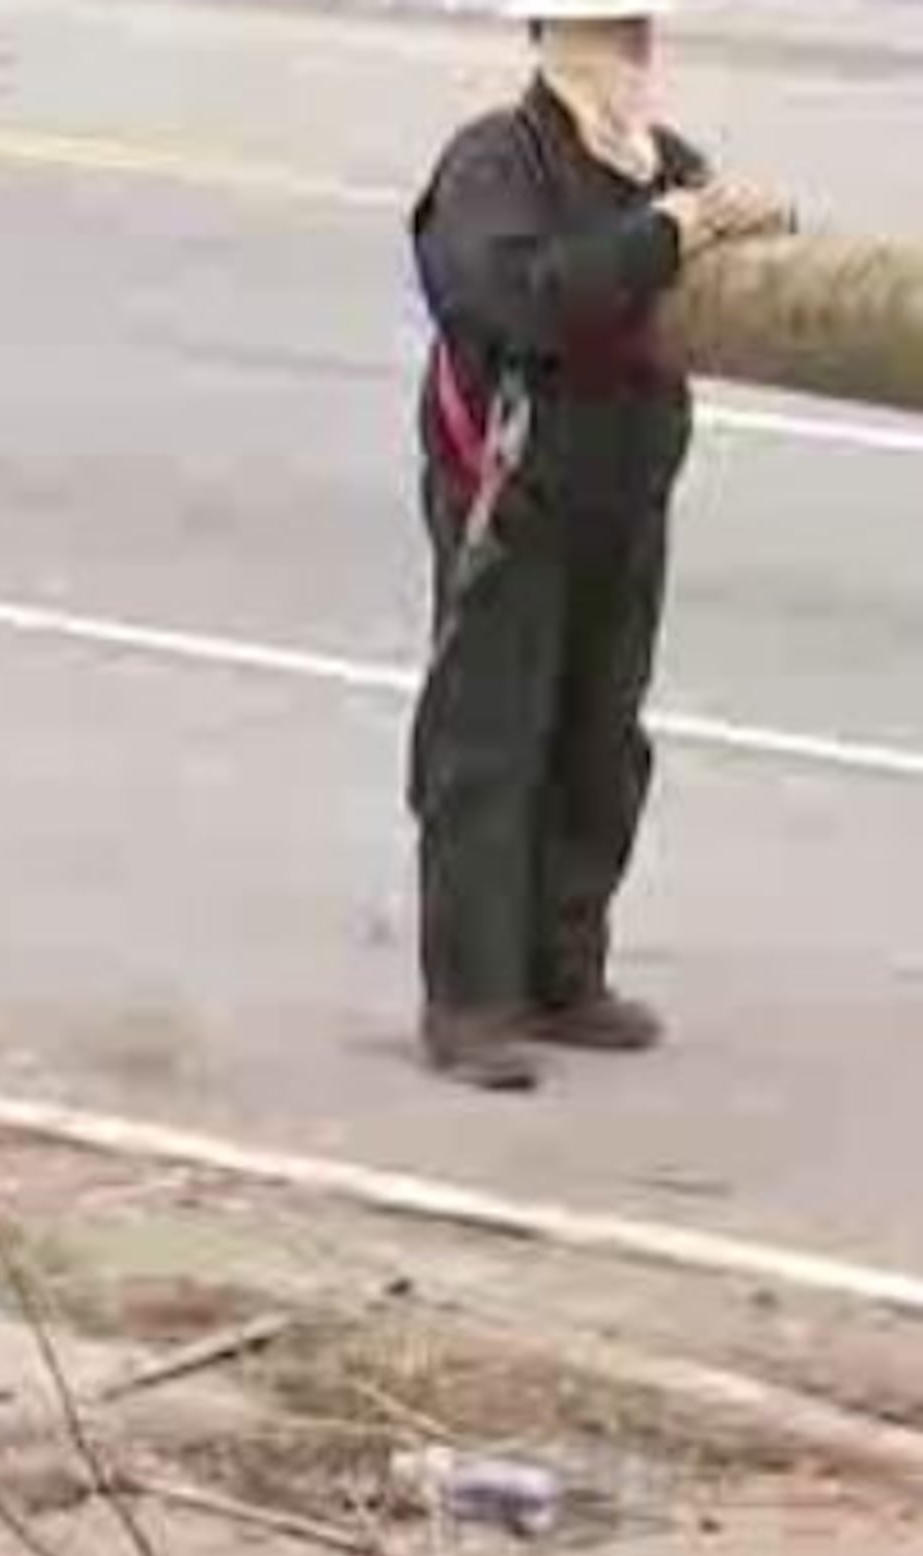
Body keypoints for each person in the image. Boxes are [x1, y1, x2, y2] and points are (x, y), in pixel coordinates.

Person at [404, 0, 789, 1091]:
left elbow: (716, 288)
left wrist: (747, 230)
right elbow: (523, 300)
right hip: (510, 491)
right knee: (490, 740)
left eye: (637, 34)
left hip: (625, 489)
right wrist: (669, 233)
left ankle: (564, 973)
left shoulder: (669, 165)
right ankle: (472, 1002)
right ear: (553, 43)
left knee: (601, 737)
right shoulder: (494, 162)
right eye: (610, 36)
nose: (631, 58)